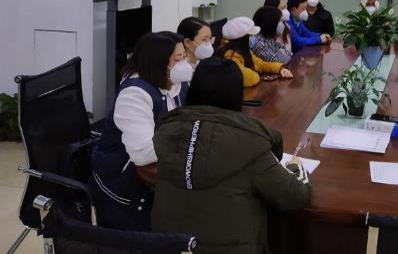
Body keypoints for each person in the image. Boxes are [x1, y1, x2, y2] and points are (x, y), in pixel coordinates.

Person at [152, 57, 311, 253]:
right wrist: (296, 167)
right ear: (237, 94)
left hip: (169, 247)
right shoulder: (249, 142)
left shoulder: (169, 132)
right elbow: (295, 196)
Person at [91, 31, 193, 230]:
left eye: (184, 57)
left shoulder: (173, 85)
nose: (184, 64)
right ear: (158, 62)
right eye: (178, 59)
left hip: (155, 179)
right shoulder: (134, 94)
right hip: (126, 187)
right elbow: (145, 154)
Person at [218, 17, 293, 87]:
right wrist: (255, 71)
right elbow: (252, 79)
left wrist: (280, 68)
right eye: (250, 36)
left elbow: (261, 64)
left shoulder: (243, 50)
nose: (252, 38)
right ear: (243, 39)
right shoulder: (230, 56)